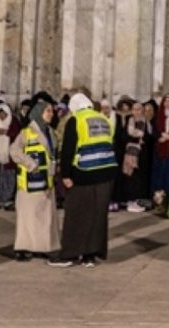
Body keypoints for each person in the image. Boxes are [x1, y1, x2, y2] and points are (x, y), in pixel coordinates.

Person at [49, 93, 117, 268]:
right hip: (106, 173)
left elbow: (68, 149)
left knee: (77, 215)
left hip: (84, 173)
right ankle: (90, 255)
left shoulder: (76, 120)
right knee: (98, 215)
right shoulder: (103, 118)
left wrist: (65, 175)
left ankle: (70, 255)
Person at [9, 99, 60, 261]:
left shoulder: (51, 132)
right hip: (29, 180)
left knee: (45, 216)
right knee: (28, 216)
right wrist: (30, 164)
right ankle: (24, 247)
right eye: (48, 111)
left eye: (52, 111)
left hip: (47, 179)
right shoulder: (27, 132)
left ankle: (44, 246)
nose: (51, 114)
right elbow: (14, 150)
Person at [118, 100, 151, 206]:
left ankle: (137, 199)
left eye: (138, 109)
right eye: (134, 110)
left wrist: (136, 139)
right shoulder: (129, 121)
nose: (136, 112)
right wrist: (136, 139)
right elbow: (123, 137)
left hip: (141, 155)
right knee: (129, 176)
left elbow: (148, 137)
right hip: (129, 154)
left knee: (138, 177)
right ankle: (129, 198)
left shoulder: (146, 122)